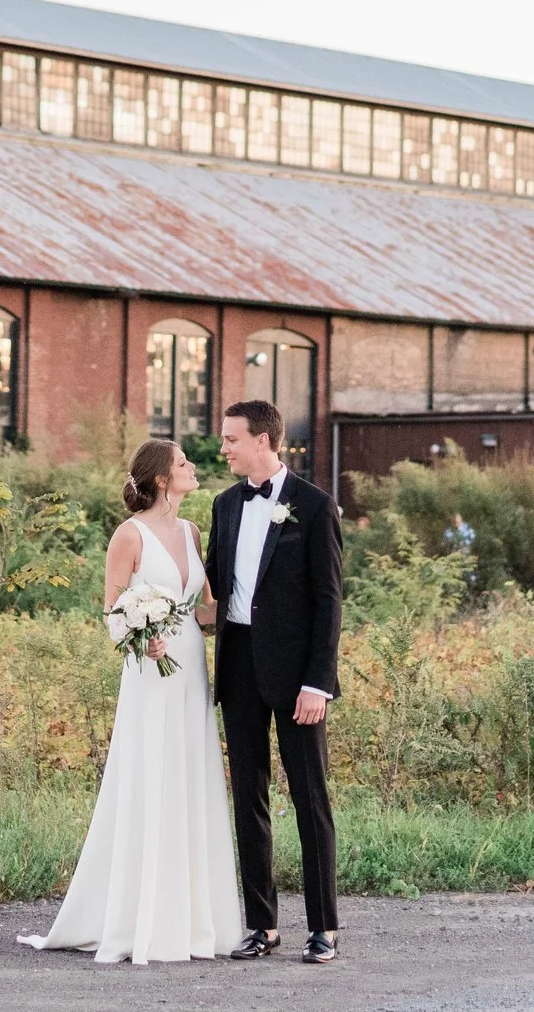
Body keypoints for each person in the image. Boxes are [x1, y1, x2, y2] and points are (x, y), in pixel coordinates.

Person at [19, 439, 245, 963]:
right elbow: (112, 612)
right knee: (151, 776)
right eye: (183, 463)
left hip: (191, 668)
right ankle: (137, 918)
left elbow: (204, 610)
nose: (193, 467)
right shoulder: (129, 535)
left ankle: (192, 921)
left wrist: (260, 608)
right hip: (149, 673)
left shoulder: (192, 532)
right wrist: (143, 640)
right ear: (163, 479)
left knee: (190, 776)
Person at [206, 398, 344, 965]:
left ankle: (323, 929)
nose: (223, 448)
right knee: (249, 797)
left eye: (231, 439)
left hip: (296, 677)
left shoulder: (315, 506)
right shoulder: (224, 505)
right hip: (238, 665)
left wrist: (319, 683)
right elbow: (213, 587)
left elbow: (329, 602)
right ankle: (262, 925)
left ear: (262, 440)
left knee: (311, 798)